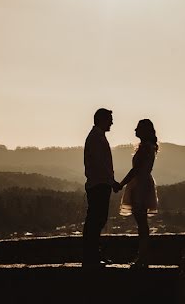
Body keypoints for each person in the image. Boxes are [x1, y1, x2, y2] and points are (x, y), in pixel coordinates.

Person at [118, 119, 159, 267]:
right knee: (142, 223)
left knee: (141, 223)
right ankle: (143, 256)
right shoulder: (149, 147)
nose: (135, 130)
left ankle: (143, 257)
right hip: (143, 183)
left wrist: (121, 184)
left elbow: (135, 170)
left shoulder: (145, 148)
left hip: (140, 185)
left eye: (138, 128)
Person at [82, 107, 120, 267]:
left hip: (98, 184)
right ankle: (91, 256)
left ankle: (92, 254)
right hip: (99, 184)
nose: (112, 122)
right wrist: (112, 182)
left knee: (96, 220)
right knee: (96, 220)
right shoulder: (97, 138)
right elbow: (101, 164)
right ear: (102, 120)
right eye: (110, 119)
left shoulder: (96, 137)